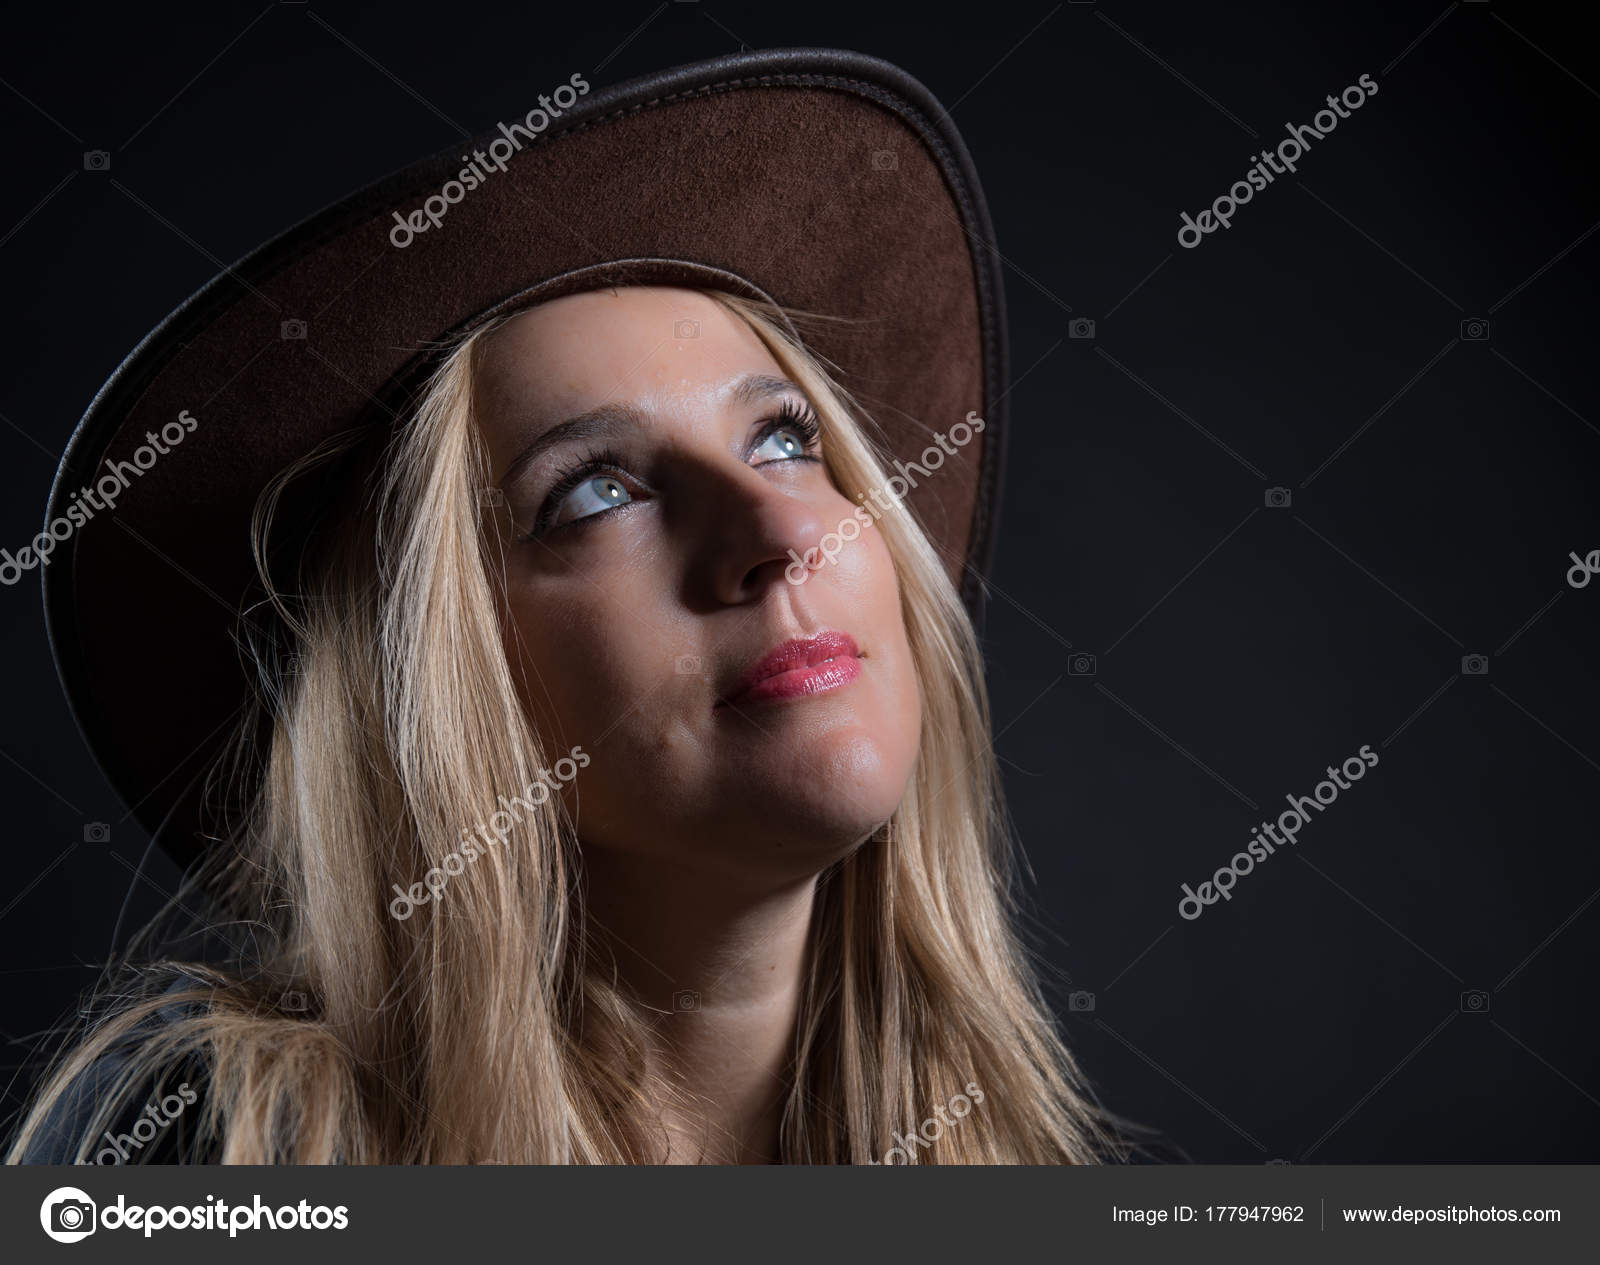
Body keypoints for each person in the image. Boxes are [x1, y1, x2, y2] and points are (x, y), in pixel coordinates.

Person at [8, 47, 1139, 1165]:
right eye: (596, 492)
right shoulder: (227, 1147)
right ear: (427, 680)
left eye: (786, 439)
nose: (788, 533)